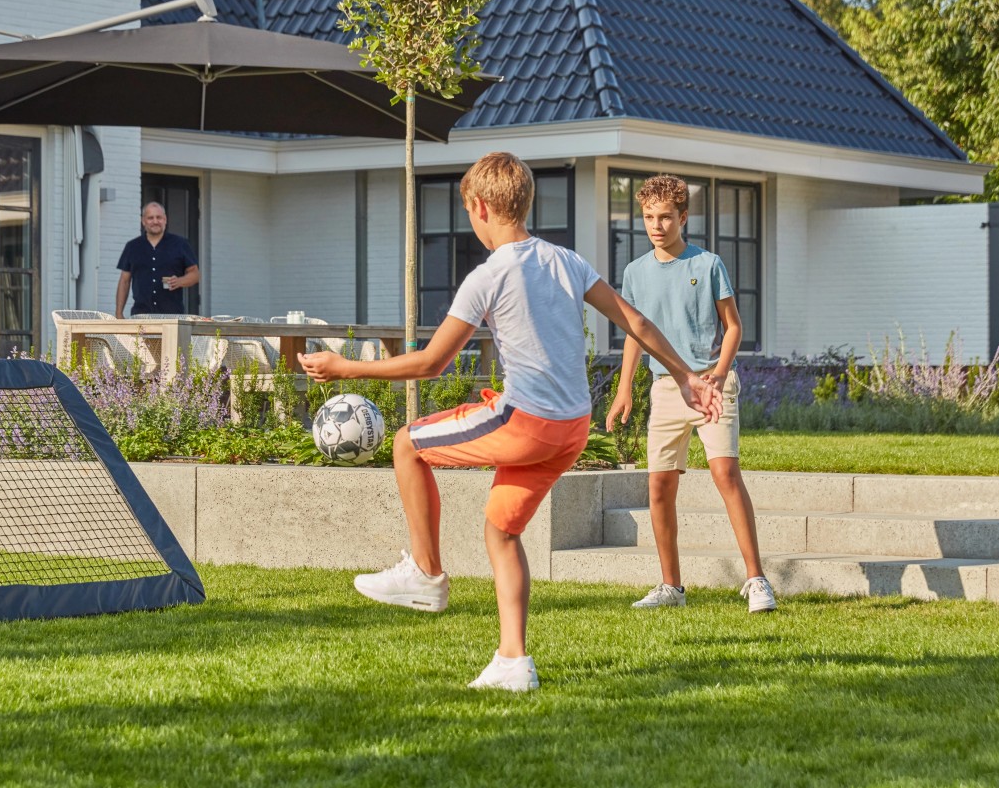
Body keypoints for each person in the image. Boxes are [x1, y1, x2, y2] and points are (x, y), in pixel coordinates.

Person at [300, 151, 721, 692]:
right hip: (572, 428)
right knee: (501, 531)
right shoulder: (567, 261)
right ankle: (513, 662)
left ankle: (426, 575)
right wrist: (686, 376)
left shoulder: (488, 275)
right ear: (525, 202)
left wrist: (344, 367)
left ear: (479, 208)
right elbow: (634, 319)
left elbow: (432, 363)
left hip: (526, 421)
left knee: (407, 443)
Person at [605, 173, 777, 614]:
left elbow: (734, 326)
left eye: (665, 217)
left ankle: (757, 581)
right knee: (659, 487)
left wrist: (719, 375)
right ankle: (671, 587)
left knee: (725, 475)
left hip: (711, 385)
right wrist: (625, 389)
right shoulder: (634, 273)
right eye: (648, 217)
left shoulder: (708, 264)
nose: (656, 225)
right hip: (664, 388)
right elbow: (633, 334)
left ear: (684, 216)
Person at [116, 202, 199, 317]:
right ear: (143, 221)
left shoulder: (180, 244)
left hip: (172, 316)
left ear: (165, 219)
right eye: (150, 218)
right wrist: (119, 312)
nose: (155, 221)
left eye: (159, 217)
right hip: (141, 315)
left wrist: (179, 281)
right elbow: (124, 281)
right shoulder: (132, 246)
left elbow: (195, 274)